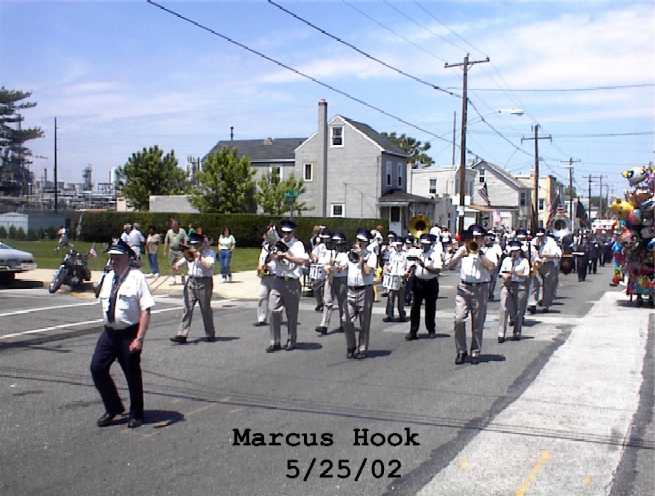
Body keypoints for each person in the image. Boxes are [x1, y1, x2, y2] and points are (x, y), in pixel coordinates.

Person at [91, 239, 154, 429]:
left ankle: (136, 414)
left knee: (132, 375)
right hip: (109, 333)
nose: (113, 260)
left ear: (127, 257)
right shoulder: (109, 276)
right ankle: (113, 407)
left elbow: (146, 310)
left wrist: (139, 338)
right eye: (111, 257)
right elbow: (98, 294)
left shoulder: (137, 278)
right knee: (97, 368)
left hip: (128, 333)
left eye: (117, 257)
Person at [446, 224, 497, 365]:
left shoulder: (488, 251)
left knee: (477, 322)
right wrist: (458, 256)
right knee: (459, 319)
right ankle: (461, 351)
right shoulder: (464, 249)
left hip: (480, 288)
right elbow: (449, 266)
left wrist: (479, 253)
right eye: (472, 237)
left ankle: (475, 351)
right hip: (464, 287)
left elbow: (491, 267)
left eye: (478, 237)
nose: (475, 240)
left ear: (483, 239)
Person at [266, 219, 309, 352]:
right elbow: (269, 259)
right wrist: (275, 257)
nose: (285, 235)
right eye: (283, 232)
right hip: (278, 280)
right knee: (273, 310)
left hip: (292, 282)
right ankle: (275, 341)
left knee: (291, 314)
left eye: (288, 233)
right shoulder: (278, 243)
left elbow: (302, 260)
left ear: (293, 232)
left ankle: (291, 339)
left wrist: (287, 256)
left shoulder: (298, 245)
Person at [170, 233, 217, 344]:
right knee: (187, 308)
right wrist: (177, 265)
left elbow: (209, 265)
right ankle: (182, 334)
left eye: (196, 244)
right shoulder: (190, 252)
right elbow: (183, 260)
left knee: (205, 310)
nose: (194, 247)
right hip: (191, 281)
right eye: (193, 244)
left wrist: (198, 256)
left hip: (204, 283)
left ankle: (210, 334)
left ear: (202, 244)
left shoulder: (210, 253)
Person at [344, 228, 377, 359]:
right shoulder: (350, 254)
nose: (360, 243)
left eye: (363, 241)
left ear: (367, 242)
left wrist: (362, 259)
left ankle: (362, 348)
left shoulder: (371, 255)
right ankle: (351, 345)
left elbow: (367, 272)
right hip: (351, 289)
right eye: (358, 240)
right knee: (347, 321)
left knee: (364, 322)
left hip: (365, 289)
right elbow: (344, 267)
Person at [406, 233, 443, 340]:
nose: (424, 246)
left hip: (430, 282)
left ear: (431, 244)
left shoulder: (435, 254)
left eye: (426, 244)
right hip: (418, 282)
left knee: (430, 307)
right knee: (415, 307)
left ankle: (431, 329)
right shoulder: (418, 252)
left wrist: (425, 266)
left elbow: (438, 270)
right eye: (422, 244)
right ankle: (413, 331)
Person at [315, 232, 349, 335]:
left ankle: (343, 323)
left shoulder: (345, 254)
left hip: (341, 279)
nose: (337, 246)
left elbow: (344, 266)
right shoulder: (329, 253)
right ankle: (324, 325)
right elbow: (322, 262)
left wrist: (336, 267)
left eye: (339, 244)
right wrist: (326, 266)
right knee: (327, 302)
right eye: (335, 244)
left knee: (342, 302)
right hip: (330, 278)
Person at [497, 240, 530, 343]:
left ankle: (517, 331)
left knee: (519, 310)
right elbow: (501, 272)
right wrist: (505, 275)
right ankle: (501, 333)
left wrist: (515, 272)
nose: (514, 253)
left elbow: (526, 274)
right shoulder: (506, 260)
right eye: (512, 251)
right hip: (507, 285)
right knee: (504, 308)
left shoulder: (524, 261)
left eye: (516, 251)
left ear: (520, 251)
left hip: (520, 286)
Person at [534, 227, 559, 313]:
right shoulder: (534, 241)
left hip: (548, 264)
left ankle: (546, 305)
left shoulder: (551, 242)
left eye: (541, 236)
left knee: (547, 285)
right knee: (535, 283)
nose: (540, 237)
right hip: (537, 264)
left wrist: (546, 255)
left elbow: (557, 254)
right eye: (538, 236)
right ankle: (533, 303)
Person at [255, 225, 276, 327]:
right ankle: (261, 318)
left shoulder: (277, 247)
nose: (265, 236)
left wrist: (268, 266)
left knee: (274, 298)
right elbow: (261, 259)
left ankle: (275, 317)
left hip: (274, 275)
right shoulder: (265, 247)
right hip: (264, 275)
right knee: (262, 296)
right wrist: (260, 267)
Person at [383, 238, 407, 323]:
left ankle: (401, 314)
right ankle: (389, 314)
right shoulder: (392, 254)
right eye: (396, 245)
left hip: (401, 277)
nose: (397, 247)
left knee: (401, 298)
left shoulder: (405, 254)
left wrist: (406, 273)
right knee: (390, 296)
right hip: (392, 276)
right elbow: (389, 264)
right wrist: (387, 269)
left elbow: (408, 266)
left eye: (399, 245)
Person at [310, 230, 331, 312]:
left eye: (327, 238)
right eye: (324, 238)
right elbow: (314, 254)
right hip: (319, 268)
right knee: (316, 287)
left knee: (327, 288)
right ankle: (319, 303)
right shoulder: (320, 246)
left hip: (328, 268)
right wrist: (313, 258)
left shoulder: (332, 247)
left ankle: (326, 303)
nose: (326, 240)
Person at [164, 219, 188, 285]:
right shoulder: (169, 232)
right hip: (172, 250)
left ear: (178, 226)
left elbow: (186, 238)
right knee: (172, 264)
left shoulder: (182, 231)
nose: (173, 227)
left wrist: (185, 247)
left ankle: (183, 278)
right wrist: (165, 250)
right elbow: (166, 241)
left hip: (180, 251)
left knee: (181, 264)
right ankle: (173, 279)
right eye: (172, 225)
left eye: (175, 225)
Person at [485, 232, 504, 301]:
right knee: (486, 281)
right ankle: (486, 294)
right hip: (485, 266)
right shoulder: (483, 247)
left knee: (493, 281)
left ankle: (490, 294)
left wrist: (498, 266)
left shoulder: (496, 246)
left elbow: (500, 257)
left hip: (494, 266)